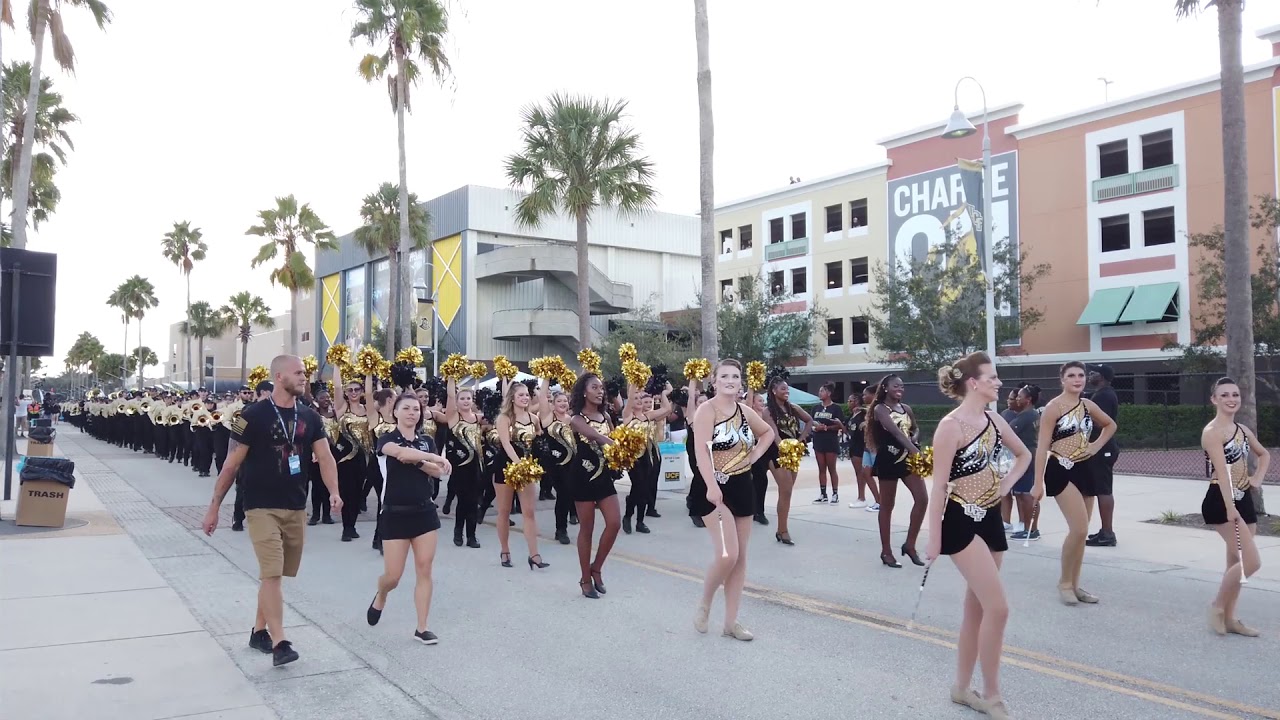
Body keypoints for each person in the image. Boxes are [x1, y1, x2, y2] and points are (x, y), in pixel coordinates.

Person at [202, 355, 342, 667]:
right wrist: (214, 509)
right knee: (272, 573)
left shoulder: (311, 416)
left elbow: (326, 457)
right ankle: (280, 642)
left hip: (295, 505)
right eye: (298, 372)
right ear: (279, 377)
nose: (304, 377)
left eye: (304, 373)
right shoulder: (249, 415)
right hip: (260, 505)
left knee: (275, 576)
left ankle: (258, 632)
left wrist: (334, 492)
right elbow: (230, 465)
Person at [927, 353, 1033, 720]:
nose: (999, 382)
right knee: (999, 608)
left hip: (989, 519)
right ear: (974, 382)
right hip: (960, 521)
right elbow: (938, 487)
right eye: (992, 377)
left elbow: (1024, 455)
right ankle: (991, 694)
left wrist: (1005, 486)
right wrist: (933, 537)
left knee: (977, 609)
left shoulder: (993, 419)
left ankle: (961, 687)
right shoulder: (950, 427)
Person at [689, 359, 774, 641]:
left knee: (741, 559)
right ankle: (705, 602)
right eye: (724, 375)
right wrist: (712, 487)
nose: (730, 380)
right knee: (728, 554)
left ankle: (731, 622)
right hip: (713, 490)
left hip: (742, 486)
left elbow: (768, 433)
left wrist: (756, 455)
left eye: (735, 376)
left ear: (741, 382)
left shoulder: (744, 410)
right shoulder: (706, 410)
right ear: (714, 380)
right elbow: (702, 453)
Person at [366, 392, 452, 644]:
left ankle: (422, 628)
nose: (412, 412)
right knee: (393, 576)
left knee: (424, 569)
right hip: (395, 513)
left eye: (416, 409)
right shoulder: (386, 438)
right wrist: (433, 458)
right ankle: (381, 595)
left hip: (424, 512)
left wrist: (419, 460)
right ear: (395, 412)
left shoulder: (426, 441)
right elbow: (397, 452)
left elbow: (436, 474)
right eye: (406, 408)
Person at [1034, 361, 1116, 606]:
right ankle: (1064, 583)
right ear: (1063, 379)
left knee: (1080, 534)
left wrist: (1095, 446)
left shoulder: (1088, 405)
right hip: (1061, 469)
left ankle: (1075, 584)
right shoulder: (1053, 408)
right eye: (1071, 375)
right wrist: (1037, 482)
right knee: (1079, 529)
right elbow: (1041, 447)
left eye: (1081, 375)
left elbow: (1111, 425)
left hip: (1085, 469)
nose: (1078, 379)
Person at [1200, 377, 1269, 636]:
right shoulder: (1212, 432)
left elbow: (1264, 454)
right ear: (1214, 400)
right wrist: (1231, 509)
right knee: (1252, 562)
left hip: (1244, 500)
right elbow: (1223, 474)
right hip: (1222, 501)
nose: (1231, 399)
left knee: (1235, 563)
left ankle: (1230, 618)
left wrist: (1257, 480)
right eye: (1225, 395)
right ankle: (1217, 606)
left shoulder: (1242, 430)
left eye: (1235, 395)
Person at [568, 373, 621, 598]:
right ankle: (585, 578)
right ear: (584, 391)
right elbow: (596, 437)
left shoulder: (606, 416)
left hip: (604, 478)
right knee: (586, 529)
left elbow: (614, 439)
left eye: (601, 388)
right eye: (594, 387)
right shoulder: (576, 419)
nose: (600, 391)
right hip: (583, 477)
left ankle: (596, 568)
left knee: (614, 523)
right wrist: (618, 444)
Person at [866, 375, 926, 567]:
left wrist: (914, 439)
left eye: (902, 386)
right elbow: (896, 432)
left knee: (922, 499)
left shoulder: (906, 408)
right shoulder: (880, 409)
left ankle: (910, 544)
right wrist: (915, 450)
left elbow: (914, 429)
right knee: (887, 506)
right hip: (889, 459)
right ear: (885, 388)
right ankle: (886, 551)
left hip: (908, 459)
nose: (900, 388)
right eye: (895, 386)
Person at [494, 380, 549, 568]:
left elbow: (539, 438)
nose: (525, 398)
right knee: (504, 511)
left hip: (526, 467)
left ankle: (534, 555)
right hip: (506, 466)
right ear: (512, 398)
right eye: (521, 395)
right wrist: (518, 465)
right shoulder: (504, 418)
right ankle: (504, 550)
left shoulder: (533, 418)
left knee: (529, 512)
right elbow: (506, 444)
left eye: (527, 395)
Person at [763, 376, 810, 544]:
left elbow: (809, 420)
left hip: (792, 453)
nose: (786, 391)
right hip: (776, 453)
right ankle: (783, 530)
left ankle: (780, 529)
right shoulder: (768, 411)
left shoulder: (793, 408)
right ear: (774, 391)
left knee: (786, 493)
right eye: (783, 389)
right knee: (786, 489)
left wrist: (801, 439)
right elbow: (774, 433)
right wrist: (783, 448)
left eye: (787, 388)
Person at [1085, 364, 1120, 548]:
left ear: (1103, 376)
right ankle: (1104, 531)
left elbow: (1101, 423)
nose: (1089, 374)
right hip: (1099, 447)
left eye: (1093, 372)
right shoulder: (1100, 394)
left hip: (1103, 447)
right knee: (1100, 490)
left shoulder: (1104, 395)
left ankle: (1108, 533)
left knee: (1104, 490)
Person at [1008, 385, 1042, 541]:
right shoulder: (1033, 415)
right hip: (1030, 457)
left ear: (1028, 400)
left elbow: (1006, 433)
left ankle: (1031, 530)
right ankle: (1029, 528)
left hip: (1026, 458)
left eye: (1020, 396)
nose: (1017, 399)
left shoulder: (1026, 417)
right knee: (1022, 494)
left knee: (1027, 495)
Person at [810, 382, 845, 504]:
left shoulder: (836, 408)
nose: (820, 393)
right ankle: (823, 494)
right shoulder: (816, 408)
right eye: (819, 391)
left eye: (822, 391)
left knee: (832, 468)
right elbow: (811, 423)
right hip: (818, 441)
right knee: (821, 468)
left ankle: (835, 493)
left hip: (831, 441)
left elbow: (840, 425)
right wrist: (816, 428)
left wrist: (827, 428)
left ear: (829, 393)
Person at [847, 385, 881, 512]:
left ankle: (880, 502)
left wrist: (867, 423)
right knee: (866, 473)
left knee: (882, 476)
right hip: (867, 447)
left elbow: (882, 423)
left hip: (875, 447)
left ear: (873, 395)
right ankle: (878, 501)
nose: (863, 397)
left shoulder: (879, 408)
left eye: (865, 394)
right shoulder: (866, 410)